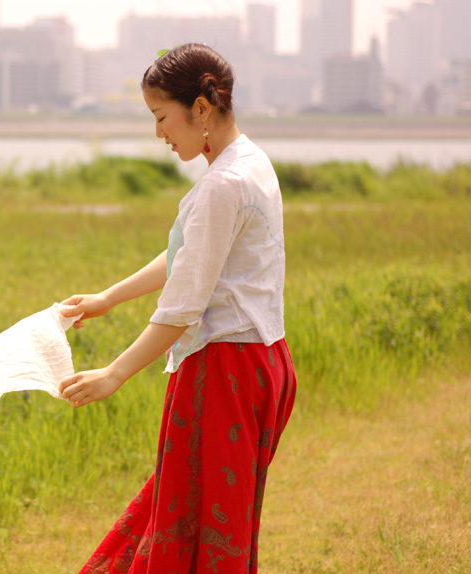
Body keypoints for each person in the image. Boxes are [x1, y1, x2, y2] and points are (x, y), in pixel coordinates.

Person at [59, 43, 297, 574]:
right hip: (264, 362)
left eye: (161, 117)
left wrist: (114, 374)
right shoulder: (251, 162)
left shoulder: (222, 185)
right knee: (205, 516)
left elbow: (182, 308)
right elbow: (190, 255)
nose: (159, 133)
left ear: (201, 109)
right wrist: (108, 298)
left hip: (224, 371)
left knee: (198, 527)